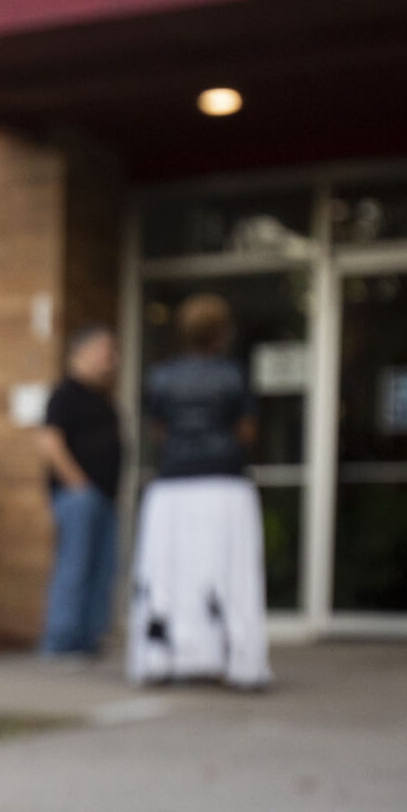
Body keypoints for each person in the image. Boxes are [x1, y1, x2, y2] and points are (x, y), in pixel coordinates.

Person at [128, 292, 270, 689]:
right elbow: (247, 431)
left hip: (173, 483)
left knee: (170, 575)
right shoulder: (234, 374)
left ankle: (162, 658)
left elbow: (159, 431)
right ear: (222, 331)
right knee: (231, 572)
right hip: (224, 481)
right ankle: (239, 660)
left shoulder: (162, 376)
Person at [35, 326, 123, 658]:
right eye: (106, 351)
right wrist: (79, 485)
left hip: (105, 498)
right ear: (81, 352)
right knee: (74, 567)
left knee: (102, 569)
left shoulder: (103, 398)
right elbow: (48, 441)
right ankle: (61, 641)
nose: (112, 359)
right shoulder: (65, 394)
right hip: (79, 498)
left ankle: (87, 640)